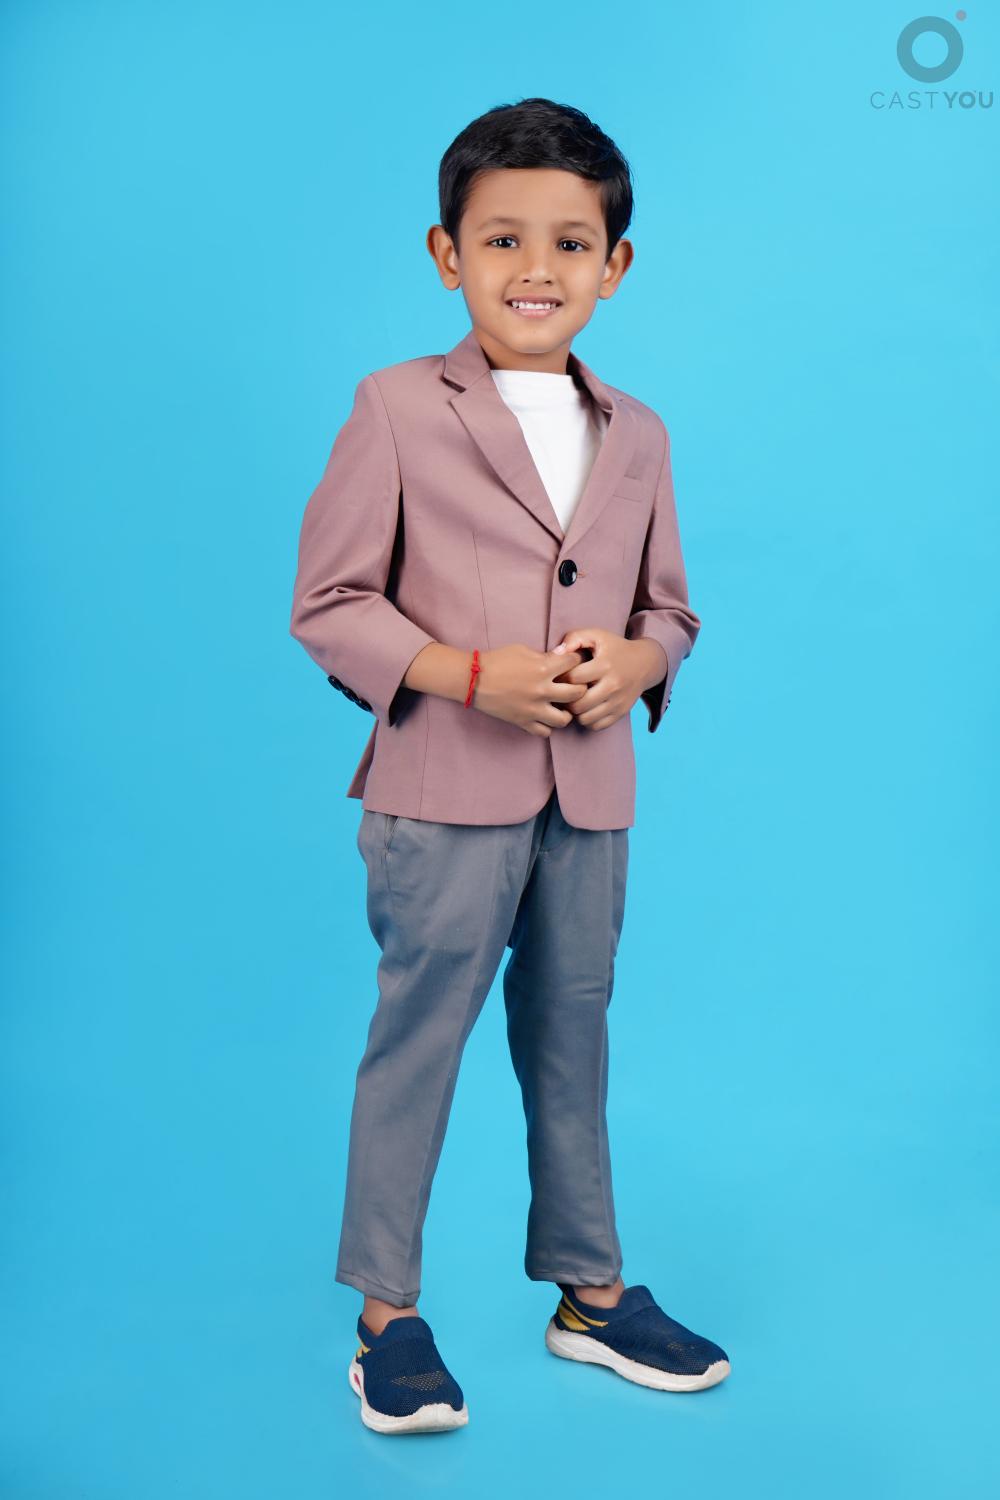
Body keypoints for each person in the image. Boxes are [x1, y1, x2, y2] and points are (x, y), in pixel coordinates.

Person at [289, 96, 730, 1435]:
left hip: (589, 797)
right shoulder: (395, 407)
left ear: (615, 265)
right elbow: (331, 604)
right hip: (442, 793)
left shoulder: (640, 432)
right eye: (501, 240)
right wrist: (471, 675)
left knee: (572, 1041)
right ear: (447, 256)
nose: (537, 267)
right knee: (417, 1043)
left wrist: (639, 662)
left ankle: (589, 1294)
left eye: (570, 242)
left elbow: (671, 611)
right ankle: (388, 1319)